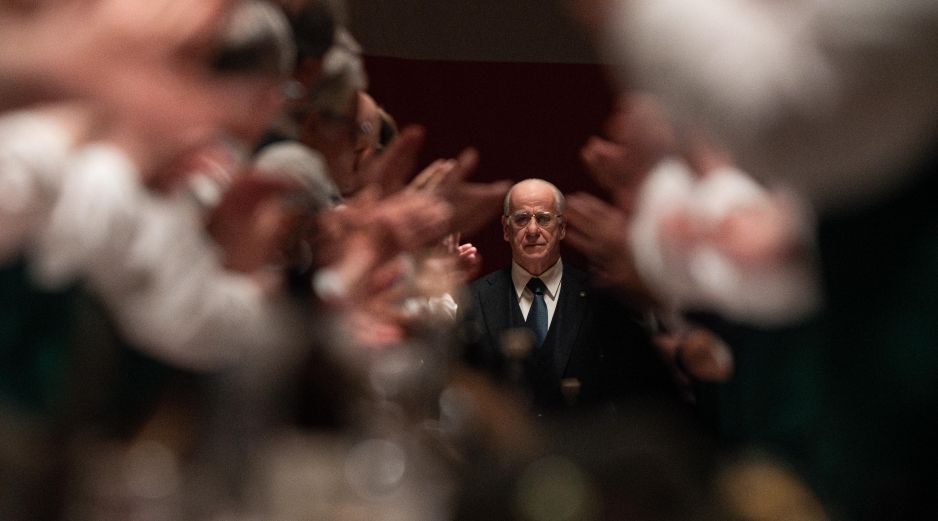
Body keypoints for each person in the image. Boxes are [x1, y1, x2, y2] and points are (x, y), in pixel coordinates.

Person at [460, 178, 677, 412]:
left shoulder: (602, 296)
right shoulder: (472, 298)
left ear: (562, 227)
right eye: (521, 219)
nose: (532, 230)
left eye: (543, 218)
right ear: (505, 229)